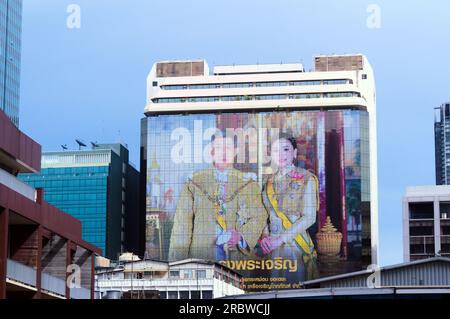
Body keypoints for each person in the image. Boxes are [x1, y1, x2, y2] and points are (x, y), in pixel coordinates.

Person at [169, 135, 268, 262]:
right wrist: (178, 263)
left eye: (228, 147)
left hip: (235, 258)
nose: (224, 152)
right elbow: (182, 225)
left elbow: (260, 216)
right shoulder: (194, 182)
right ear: (212, 150)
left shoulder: (248, 183)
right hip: (201, 256)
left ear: (236, 151)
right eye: (219, 147)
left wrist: (241, 236)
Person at [260, 133, 319, 282]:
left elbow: (310, 217)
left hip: (295, 245)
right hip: (272, 248)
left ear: (294, 153)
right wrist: (265, 237)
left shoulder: (306, 179)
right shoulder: (267, 183)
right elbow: (265, 215)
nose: (281, 154)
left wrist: (281, 239)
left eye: (285, 149)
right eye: (275, 150)